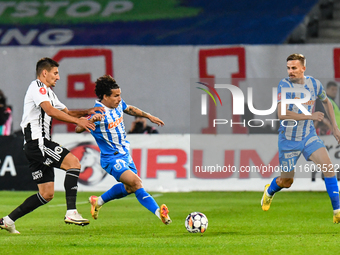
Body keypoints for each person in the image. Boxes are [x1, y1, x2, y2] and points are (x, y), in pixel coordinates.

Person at [0, 57, 104, 234]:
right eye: (55, 73)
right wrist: (77, 120)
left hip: (33, 146)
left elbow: (66, 112)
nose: (58, 77)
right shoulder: (38, 87)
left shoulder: (48, 92)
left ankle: (7, 221)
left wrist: (87, 112)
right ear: (44, 73)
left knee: (46, 194)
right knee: (74, 163)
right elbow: (50, 111)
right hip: (38, 143)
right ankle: (71, 212)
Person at [75, 75, 171, 225]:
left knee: (130, 188)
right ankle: (160, 213)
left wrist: (149, 116)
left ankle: (97, 201)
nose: (119, 99)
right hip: (111, 159)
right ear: (105, 97)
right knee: (137, 183)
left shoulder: (117, 105)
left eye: (120, 95)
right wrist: (90, 120)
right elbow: (78, 128)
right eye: (116, 96)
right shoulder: (96, 113)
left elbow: (130, 109)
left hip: (125, 155)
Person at [261, 53, 340, 223]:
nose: (290, 71)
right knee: (287, 181)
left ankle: (337, 211)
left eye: (294, 68)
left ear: (303, 68)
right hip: (288, 140)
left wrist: (334, 126)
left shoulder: (314, 84)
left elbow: (326, 102)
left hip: (308, 136)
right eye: (288, 68)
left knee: (329, 167)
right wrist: (309, 117)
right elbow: (281, 114)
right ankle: (270, 190)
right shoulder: (284, 85)